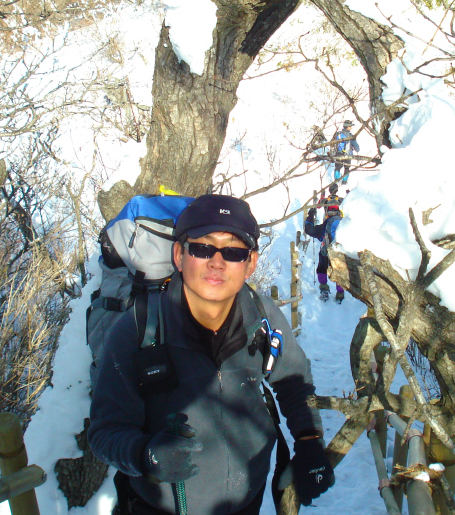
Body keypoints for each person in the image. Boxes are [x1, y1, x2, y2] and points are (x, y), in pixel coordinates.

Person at [88, 194, 335, 515]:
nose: (217, 262)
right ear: (179, 254)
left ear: (251, 264)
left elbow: (294, 382)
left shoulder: (263, 316)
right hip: (157, 507)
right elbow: (105, 430)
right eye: (202, 248)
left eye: (233, 251)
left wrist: (308, 441)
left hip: (247, 501)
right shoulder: (138, 328)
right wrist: (143, 455)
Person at [304, 201, 344, 302]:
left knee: (322, 268)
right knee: (340, 271)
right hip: (341, 254)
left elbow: (309, 230)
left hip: (326, 253)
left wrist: (310, 215)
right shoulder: (345, 223)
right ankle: (340, 294)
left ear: (328, 212)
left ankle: (324, 290)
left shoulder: (326, 225)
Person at [331, 120, 359, 185]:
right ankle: (344, 182)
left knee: (337, 167)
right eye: (350, 126)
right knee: (347, 168)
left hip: (338, 153)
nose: (351, 127)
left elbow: (332, 143)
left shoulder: (337, 134)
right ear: (348, 127)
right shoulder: (350, 136)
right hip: (348, 154)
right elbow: (357, 148)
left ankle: (336, 180)